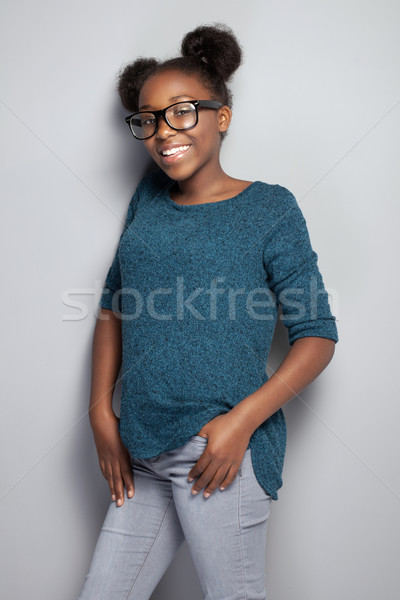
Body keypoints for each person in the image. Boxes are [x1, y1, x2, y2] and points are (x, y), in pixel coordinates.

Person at [78, 23, 339, 600]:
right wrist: (101, 413)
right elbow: (112, 305)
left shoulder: (269, 208)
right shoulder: (148, 196)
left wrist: (240, 424)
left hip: (216, 453)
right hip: (141, 445)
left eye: (182, 111)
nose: (162, 132)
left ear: (222, 116)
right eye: (148, 118)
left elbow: (317, 334)